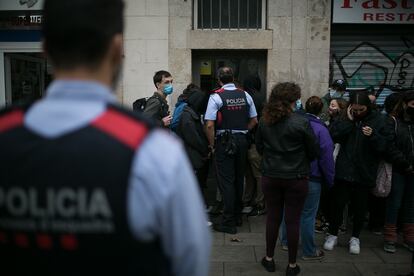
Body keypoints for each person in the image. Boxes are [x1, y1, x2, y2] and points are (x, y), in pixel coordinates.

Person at [0, 0, 211, 275]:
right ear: (117, 49)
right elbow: (190, 260)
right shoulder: (153, 151)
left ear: (45, 49)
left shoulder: (6, 135)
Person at [256, 82, 318, 276]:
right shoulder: (301, 122)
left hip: (271, 175)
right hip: (296, 177)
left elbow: (259, 148)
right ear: (293, 100)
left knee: (273, 218)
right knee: (293, 221)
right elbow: (313, 151)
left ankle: (269, 259)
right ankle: (292, 265)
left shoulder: (264, 121)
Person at [324, 91, 388, 255]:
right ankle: (332, 234)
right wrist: (349, 123)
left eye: (361, 110)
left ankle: (355, 237)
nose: (358, 112)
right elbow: (332, 135)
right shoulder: (345, 117)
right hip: (344, 169)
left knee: (360, 207)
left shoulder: (378, 119)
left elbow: (384, 146)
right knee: (338, 205)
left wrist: (373, 136)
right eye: (355, 109)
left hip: (365, 171)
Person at [280, 96, 334, 261]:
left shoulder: (293, 124)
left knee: (288, 210)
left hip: (289, 174)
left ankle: (286, 241)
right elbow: (326, 158)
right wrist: (330, 179)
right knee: (308, 214)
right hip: (312, 177)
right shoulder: (321, 130)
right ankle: (309, 250)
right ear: (321, 110)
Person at [205, 67, 258, 235]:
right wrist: (243, 131)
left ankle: (228, 222)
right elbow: (254, 120)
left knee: (226, 181)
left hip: (224, 141)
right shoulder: (245, 95)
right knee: (238, 178)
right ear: (233, 78)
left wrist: (212, 144)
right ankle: (237, 216)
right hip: (242, 140)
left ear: (219, 79)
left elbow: (209, 124)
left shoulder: (216, 97)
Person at [384, 91, 414, 253]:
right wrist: (404, 163)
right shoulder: (394, 122)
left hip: (412, 171)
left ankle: (409, 237)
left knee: (410, 204)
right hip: (398, 170)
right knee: (395, 203)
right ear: (404, 104)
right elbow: (389, 146)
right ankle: (390, 236)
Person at [176, 84, 210, 205]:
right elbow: (193, 138)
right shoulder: (187, 116)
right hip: (192, 157)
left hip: (193, 156)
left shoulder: (190, 114)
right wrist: (205, 150)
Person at [241, 75, 265, 217]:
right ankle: (260, 203)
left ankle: (247, 201)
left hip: (246, 141)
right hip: (256, 143)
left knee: (249, 175)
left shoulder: (245, 97)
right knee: (258, 175)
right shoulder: (259, 98)